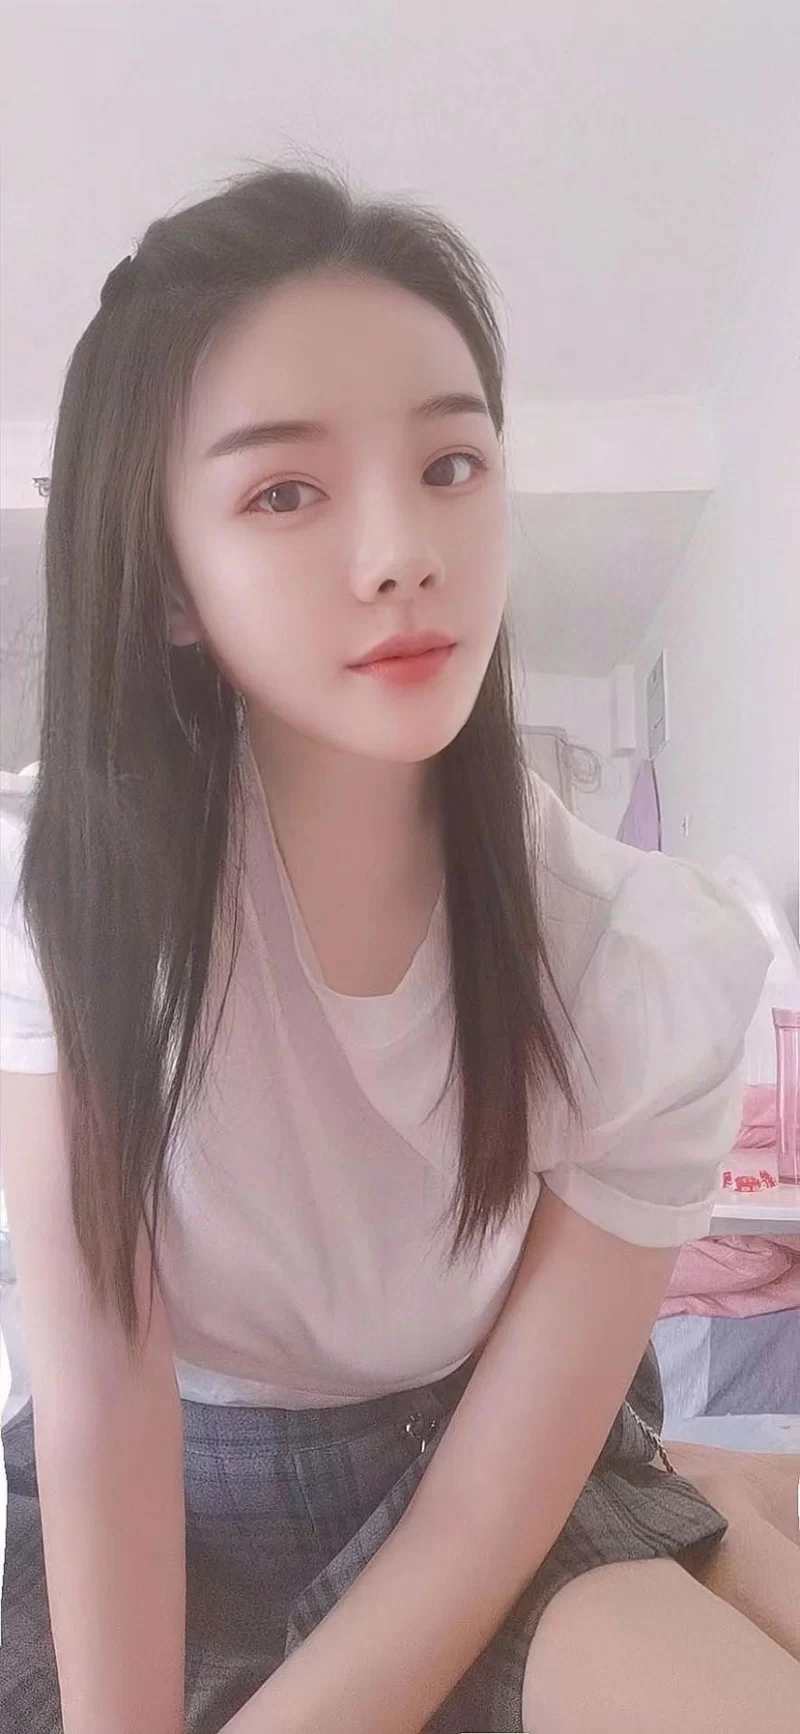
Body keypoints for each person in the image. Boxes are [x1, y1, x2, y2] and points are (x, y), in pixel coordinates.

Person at [0, 159, 796, 1734]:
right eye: (284, 492)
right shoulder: (62, 895)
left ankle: (703, 1492)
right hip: (161, 1486)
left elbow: (483, 1518)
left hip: (484, 1475)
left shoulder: (647, 969)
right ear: (168, 583)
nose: (400, 549)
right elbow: (101, 1396)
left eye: (449, 462)